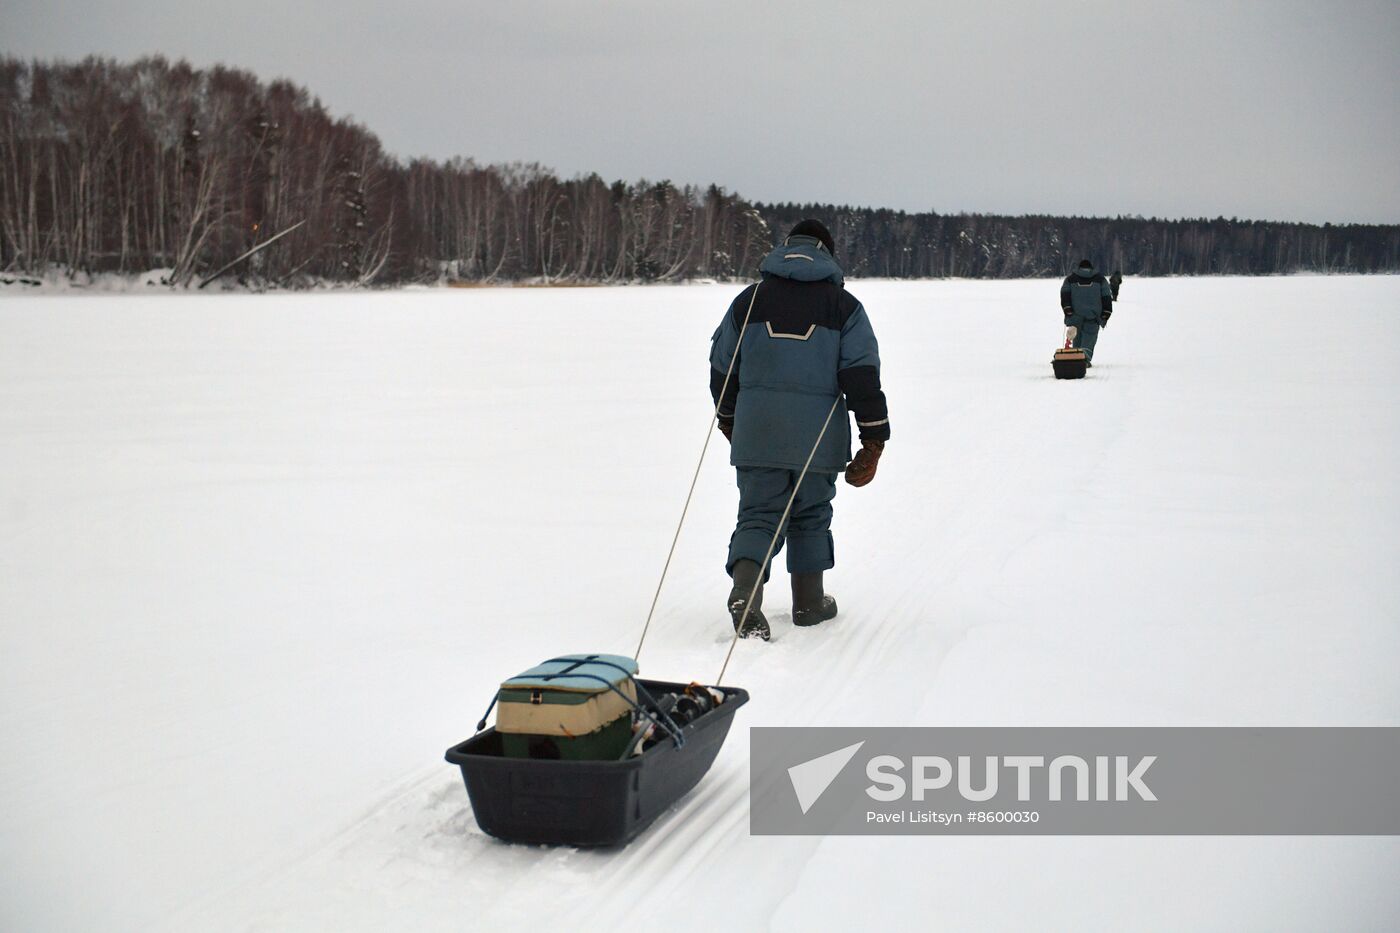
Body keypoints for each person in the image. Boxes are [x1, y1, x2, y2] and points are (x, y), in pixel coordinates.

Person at [709, 219, 889, 639]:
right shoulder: (844, 307)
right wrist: (873, 438)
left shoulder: (747, 302)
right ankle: (809, 603)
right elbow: (862, 375)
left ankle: (745, 591)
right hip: (818, 437)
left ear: (786, 247)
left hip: (757, 430)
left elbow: (722, 368)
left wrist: (730, 419)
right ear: (827, 252)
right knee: (810, 514)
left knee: (758, 515)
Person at [1060, 258, 1113, 365]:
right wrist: (1105, 314)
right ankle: (1084, 359)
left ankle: (1075, 358)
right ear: (1091, 268)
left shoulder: (1070, 279)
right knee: (1089, 339)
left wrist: (1068, 310)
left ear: (1079, 268)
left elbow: (1065, 296)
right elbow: (1107, 297)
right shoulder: (1101, 280)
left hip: (1074, 315)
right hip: (1093, 316)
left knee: (1076, 339)